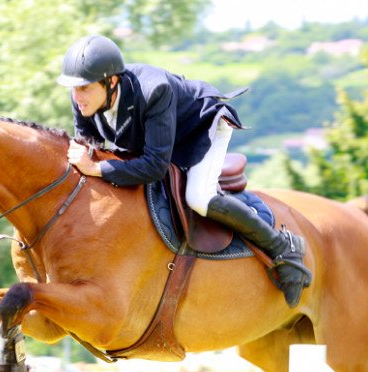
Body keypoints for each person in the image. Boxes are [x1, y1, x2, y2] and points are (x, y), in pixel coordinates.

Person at [57, 35, 311, 307]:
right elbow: (89, 144)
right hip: (156, 136)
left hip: (201, 127)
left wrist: (96, 168)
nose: (77, 95)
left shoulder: (155, 90)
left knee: (198, 197)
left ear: (111, 82)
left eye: (84, 88)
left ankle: (282, 246)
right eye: (74, 89)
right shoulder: (84, 99)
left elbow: (155, 166)